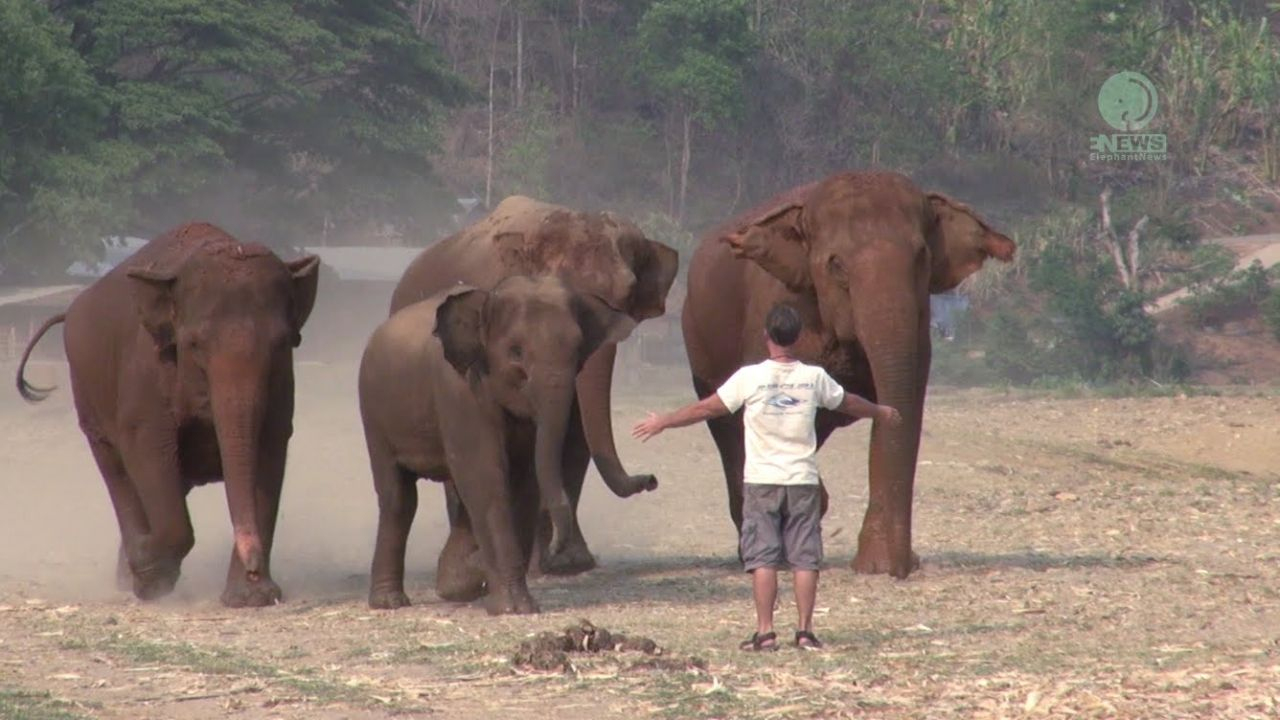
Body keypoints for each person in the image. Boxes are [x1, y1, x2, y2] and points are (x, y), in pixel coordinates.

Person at [632, 302, 901, 651]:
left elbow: (707, 407)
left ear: (766, 337)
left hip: (761, 482)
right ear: (798, 338)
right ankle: (805, 632)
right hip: (802, 480)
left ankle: (765, 632)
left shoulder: (750, 378)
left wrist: (664, 421)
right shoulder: (814, 378)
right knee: (805, 559)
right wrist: (880, 412)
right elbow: (848, 403)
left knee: (763, 558)